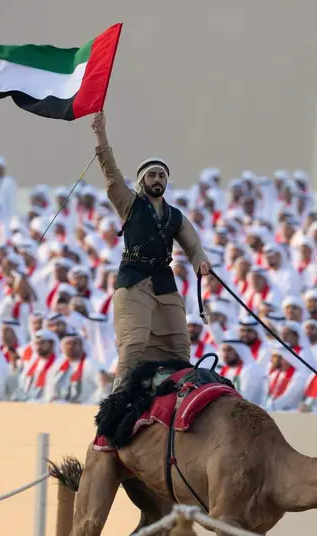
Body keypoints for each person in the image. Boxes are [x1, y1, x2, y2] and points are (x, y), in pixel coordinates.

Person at [90, 110, 212, 388]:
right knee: (133, 345)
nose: (157, 180)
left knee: (180, 346)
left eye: (161, 176)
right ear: (143, 180)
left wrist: (200, 261)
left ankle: (176, 395)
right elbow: (111, 174)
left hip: (163, 282)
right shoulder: (129, 204)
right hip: (133, 281)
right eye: (152, 175)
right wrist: (101, 135)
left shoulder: (175, 215)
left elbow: (193, 246)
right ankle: (119, 398)